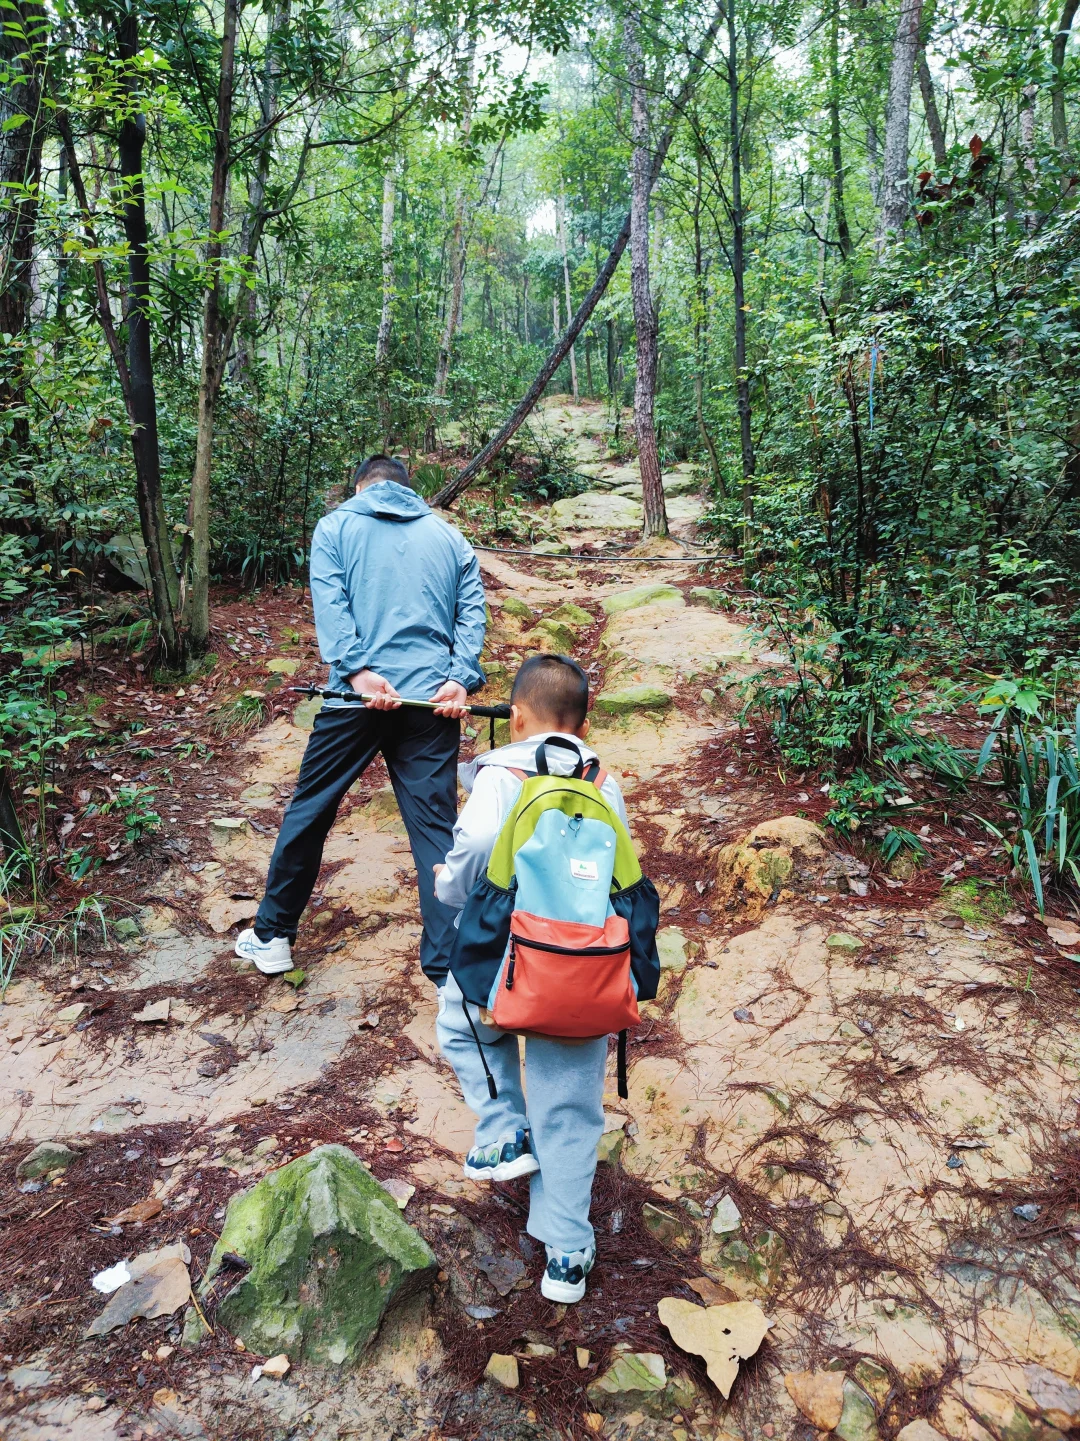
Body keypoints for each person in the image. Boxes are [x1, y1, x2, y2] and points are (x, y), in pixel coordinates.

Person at [236, 454, 487, 981]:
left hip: (356, 700)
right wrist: (459, 678)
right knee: (435, 830)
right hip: (431, 702)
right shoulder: (450, 539)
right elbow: (471, 614)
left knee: (311, 810)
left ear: (359, 487)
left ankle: (274, 935)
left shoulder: (335, 527)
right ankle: (447, 970)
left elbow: (332, 605)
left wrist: (356, 673)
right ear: (407, 489)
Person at [433, 654, 632, 1305]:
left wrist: (448, 886)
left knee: (460, 1021)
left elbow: (477, 842)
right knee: (571, 1105)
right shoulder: (604, 779)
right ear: (582, 720)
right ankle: (567, 1256)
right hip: (584, 971)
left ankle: (502, 1130)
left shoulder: (504, 770)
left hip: (508, 961)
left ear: (516, 716)